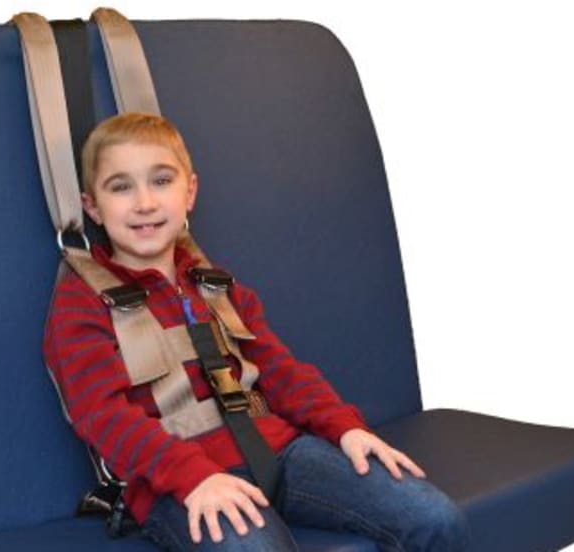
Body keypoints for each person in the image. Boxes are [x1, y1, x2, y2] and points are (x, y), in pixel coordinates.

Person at [43, 112, 470, 551]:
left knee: (432, 517)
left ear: (189, 192)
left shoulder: (216, 285)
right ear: (92, 207)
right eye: (121, 187)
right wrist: (193, 477)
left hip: (281, 452)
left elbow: (282, 372)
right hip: (176, 481)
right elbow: (102, 415)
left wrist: (345, 428)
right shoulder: (81, 301)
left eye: (162, 181)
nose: (145, 202)